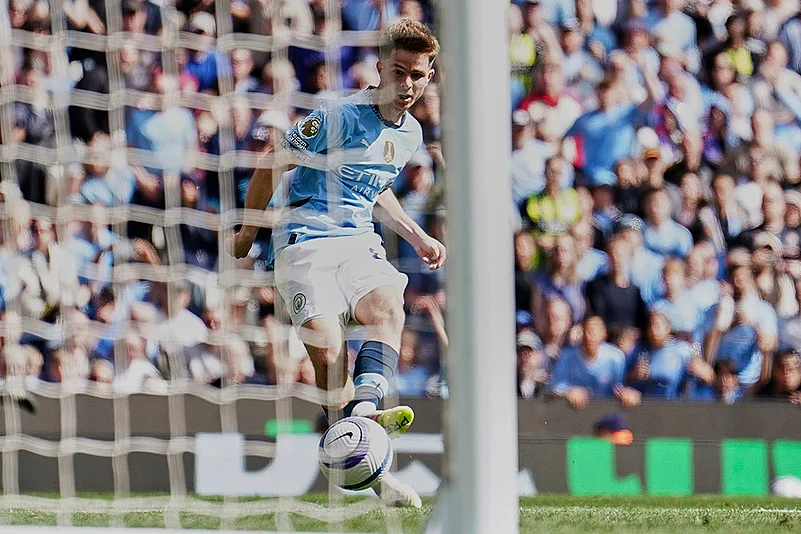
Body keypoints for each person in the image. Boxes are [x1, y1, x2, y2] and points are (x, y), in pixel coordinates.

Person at [231, 19, 445, 509]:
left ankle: (365, 413)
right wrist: (248, 231)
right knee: (328, 358)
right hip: (303, 239)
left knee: (389, 308)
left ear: (429, 76)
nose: (407, 84)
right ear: (379, 68)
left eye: (418, 75)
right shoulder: (340, 115)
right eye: (399, 71)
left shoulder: (410, 133)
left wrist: (416, 234)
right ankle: (368, 457)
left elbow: (375, 184)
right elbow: (271, 163)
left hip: (356, 241)